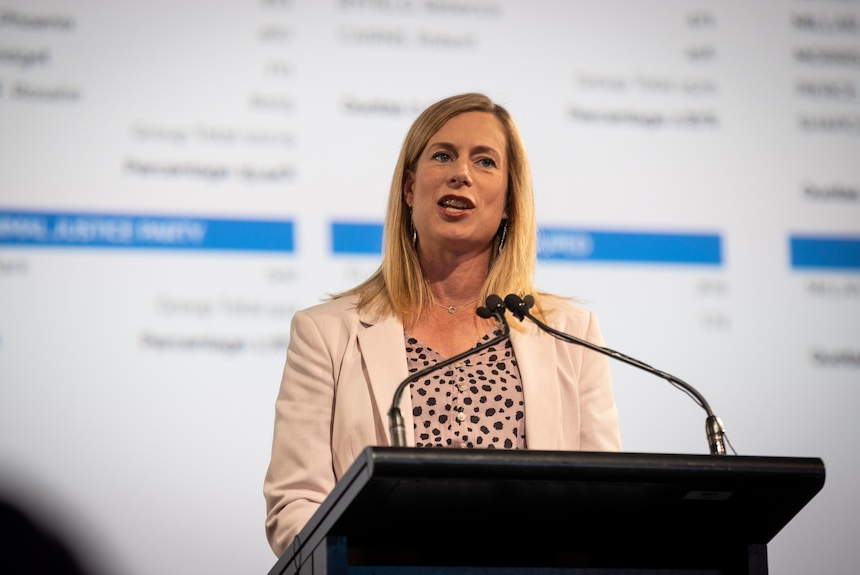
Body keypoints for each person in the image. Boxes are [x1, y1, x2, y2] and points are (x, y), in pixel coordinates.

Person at [263, 92, 621, 556]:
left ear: (510, 200)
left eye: (485, 161)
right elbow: (296, 503)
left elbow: (607, 499)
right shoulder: (328, 334)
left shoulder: (569, 334)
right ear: (410, 189)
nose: (461, 173)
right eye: (443, 155)